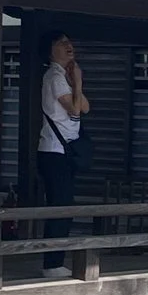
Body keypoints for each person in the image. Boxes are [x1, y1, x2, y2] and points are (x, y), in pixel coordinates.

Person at [36, 30, 89, 275]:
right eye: (62, 43)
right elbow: (76, 111)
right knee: (60, 207)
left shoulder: (62, 77)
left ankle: (55, 261)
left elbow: (85, 107)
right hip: (54, 151)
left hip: (60, 151)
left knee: (64, 205)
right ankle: (52, 263)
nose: (69, 46)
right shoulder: (55, 76)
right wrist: (77, 81)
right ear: (51, 51)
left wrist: (75, 81)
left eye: (70, 42)